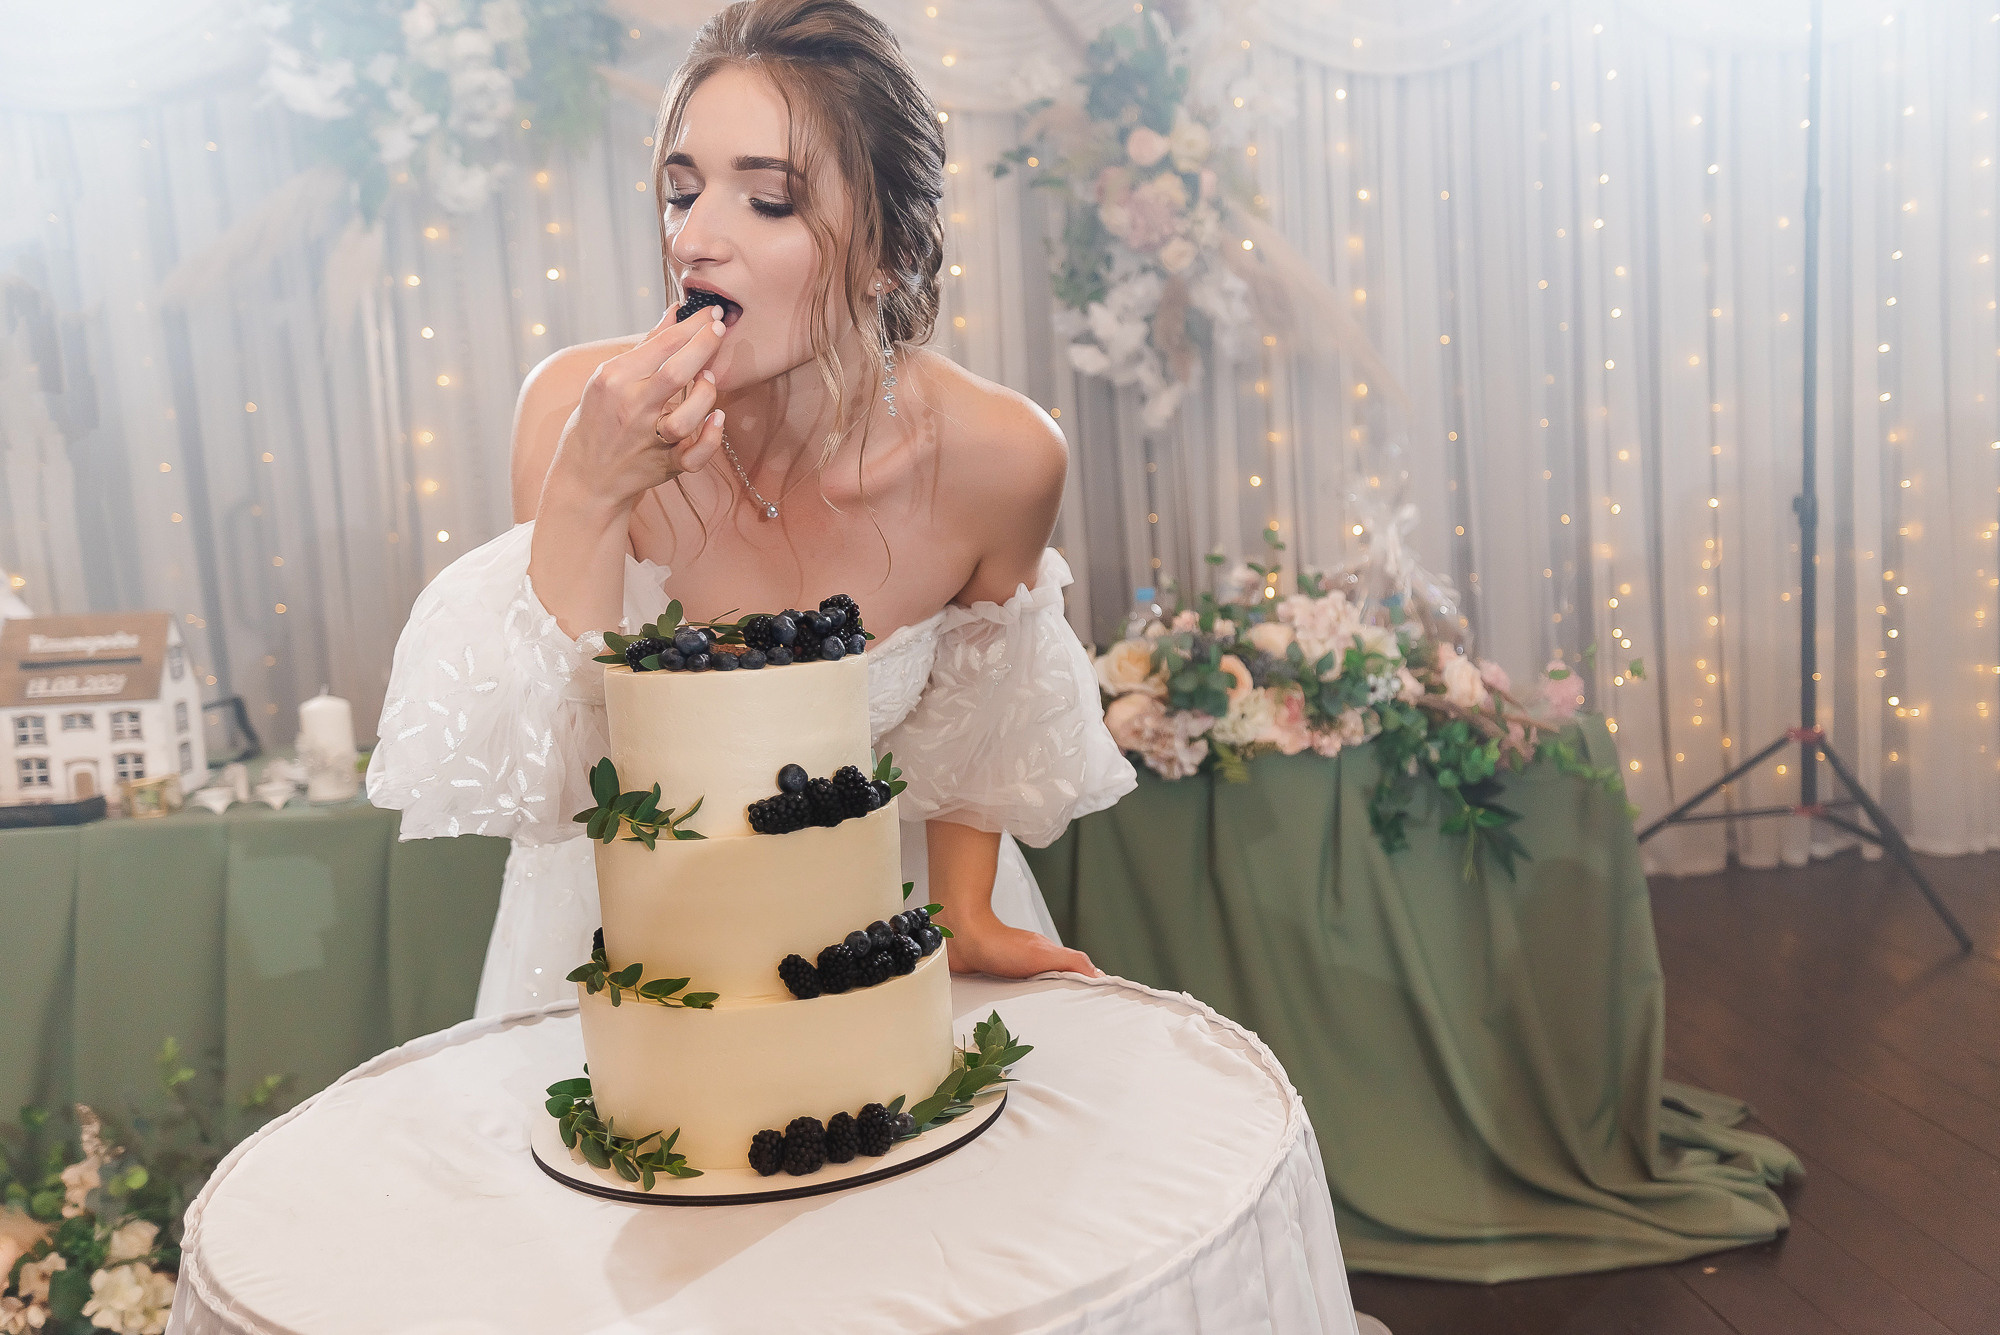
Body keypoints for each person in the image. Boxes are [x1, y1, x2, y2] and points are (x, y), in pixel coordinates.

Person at [366, 0, 1136, 1018]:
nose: (695, 239)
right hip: (626, 949)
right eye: (681, 192)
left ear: (887, 251)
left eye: (767, 202)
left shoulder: (1003, 456)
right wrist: (593, 489)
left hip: (874, 936)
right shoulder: (575, 412)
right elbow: (557, 778)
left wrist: (964, 908)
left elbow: (974, 722)